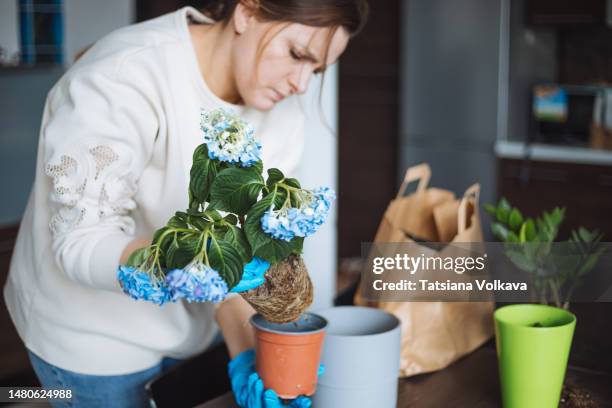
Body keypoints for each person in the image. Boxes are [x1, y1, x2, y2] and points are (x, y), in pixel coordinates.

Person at [3, 0, 368, 407]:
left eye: (316, 70)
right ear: (247, 12)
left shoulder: (282, 116)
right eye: (298, 55)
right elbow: (81, 242)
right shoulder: (124, 75)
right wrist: (187, 257)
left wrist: (248, 349)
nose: (301, 84)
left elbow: (233, 267)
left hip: (192, 334)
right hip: (91, 341)